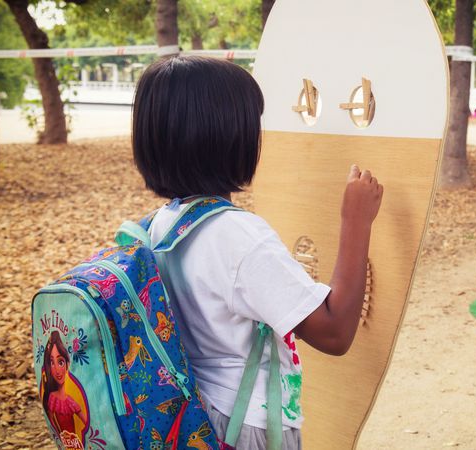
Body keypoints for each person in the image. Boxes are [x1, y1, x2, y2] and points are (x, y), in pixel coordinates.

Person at [131, 56, 383, 449]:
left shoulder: (158, 225)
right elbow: (334, 332)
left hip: (194, 415)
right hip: (245, 426)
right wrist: (357, 220)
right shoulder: (237, 237)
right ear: (229, 138)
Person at [42, 331, 88, 446]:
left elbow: (88, 423)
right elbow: (52, 422)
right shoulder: (52, 398)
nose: (57, 370)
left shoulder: (70, 402)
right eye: (52, 363)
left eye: (60, 362)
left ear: (68, 364)